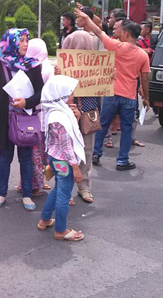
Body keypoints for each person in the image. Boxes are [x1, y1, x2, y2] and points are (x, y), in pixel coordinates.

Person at [76, 8, 150, 171]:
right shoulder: (143, 55)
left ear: (127, 34)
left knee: (103, 124)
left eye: (121, 31)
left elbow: (97, 30)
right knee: (126, 129)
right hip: (129, 97)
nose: (119, 33)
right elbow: (144, 78)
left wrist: (86, 18)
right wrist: (146, 98)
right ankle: (122, 160)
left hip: (112, 93)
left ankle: (96, 153)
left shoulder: (116, 47)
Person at [0, 28, 44, 211]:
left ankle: (27, 194)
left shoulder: (32, 66)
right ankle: (1, 193)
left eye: (27, 40)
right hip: (4, 120)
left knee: (25, 158)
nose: (26, 44)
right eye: (22, 40)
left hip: (25, 119)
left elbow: (40, 92)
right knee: (5, 157)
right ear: (12, 42)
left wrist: (27, 102)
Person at [37, 75, 85, 241]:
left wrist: (76, 117)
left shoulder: (56, 111)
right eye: (70, 93)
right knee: (64, 195)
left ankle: (44, 220)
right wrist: (76, 167)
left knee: (58, 190)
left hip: (56, 158)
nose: (73, 96)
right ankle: (61, 230)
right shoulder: (60, 117)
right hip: (64, 161)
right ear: (61, 94)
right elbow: (66, 146)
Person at [62, 31, 101, 204]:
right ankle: (65, 189)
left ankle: (84, 187)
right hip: (67, 114)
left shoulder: (96, 66)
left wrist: (108, 78)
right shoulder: (61, 67)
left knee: (86, 150)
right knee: (67, 152)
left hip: (87, 113)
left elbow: (102, 89)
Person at [18, 38, 53, 195]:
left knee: (33, 153)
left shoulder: (27, 66)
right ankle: (35, 185)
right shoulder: (47, 68)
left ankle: (28, 182)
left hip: (31, 115)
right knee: (39, 153)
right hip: (43, 116)